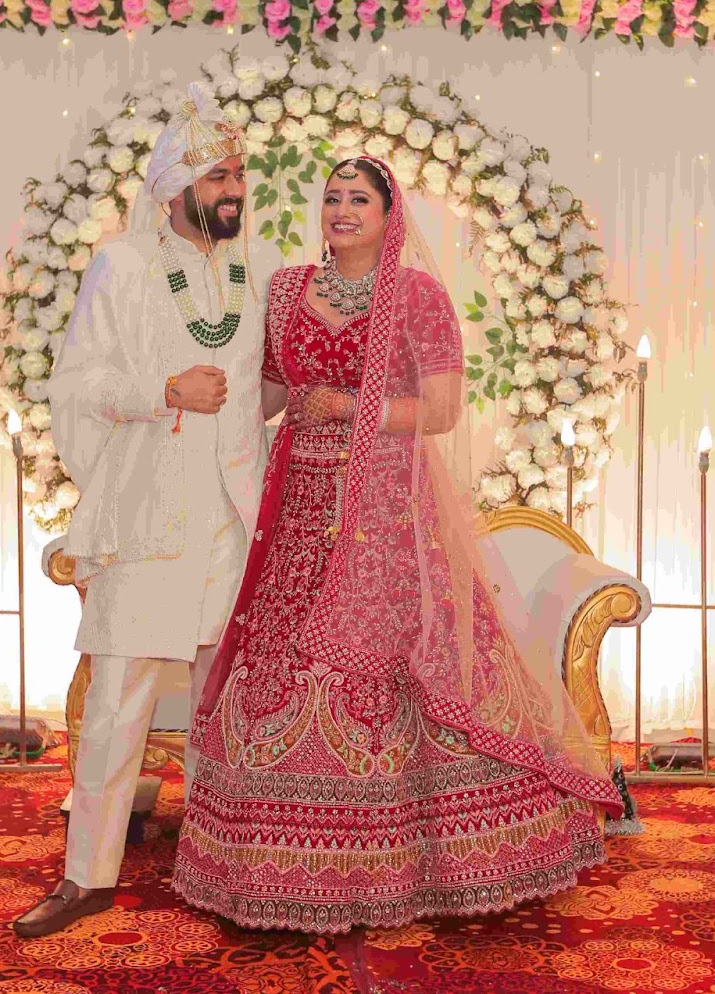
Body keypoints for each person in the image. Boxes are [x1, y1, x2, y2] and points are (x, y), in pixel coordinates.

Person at [172, 156, 631, 934]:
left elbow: (444, 410)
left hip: (384, 511)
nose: (342, 210)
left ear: (390, 216)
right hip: (296, 508)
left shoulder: (417, 296)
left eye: (359, 199)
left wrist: (348, 406)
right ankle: (273, 864)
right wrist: (204, 400)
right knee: (275, 671)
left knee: (386, 670)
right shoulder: (286, 289)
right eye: (331, 198)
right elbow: (276, 392)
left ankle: (411, 862)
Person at [13, 83, 282, 939]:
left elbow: (258, 390)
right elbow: (78, 382)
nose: (233, 189)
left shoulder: (256, 268)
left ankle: (213, 870)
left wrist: (302, 395)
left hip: (232, 514)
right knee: (118, 699)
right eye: (217, 176)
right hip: (148, 510)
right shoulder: (122, 265)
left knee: (219, 701)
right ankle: (86, 877)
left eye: (239, 173)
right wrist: (162, 389)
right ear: (175, 188)